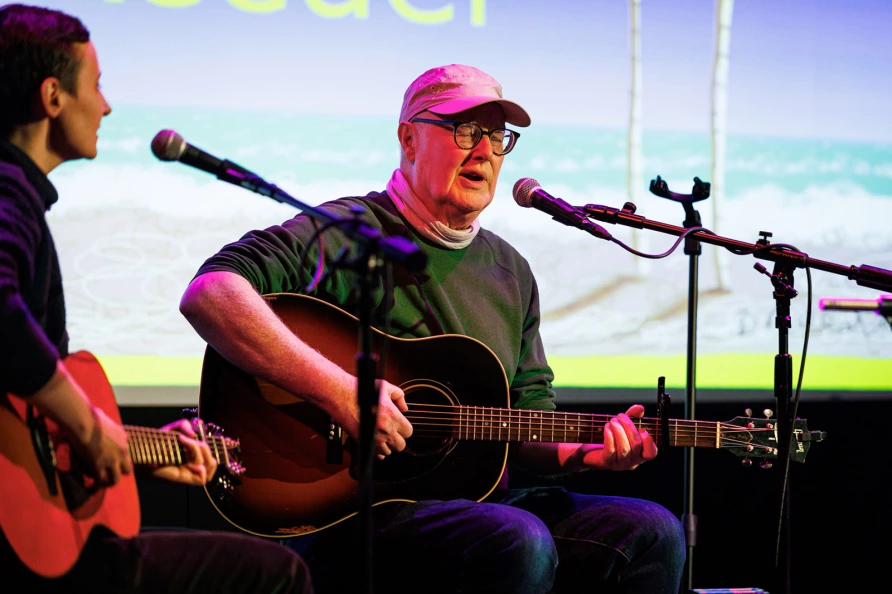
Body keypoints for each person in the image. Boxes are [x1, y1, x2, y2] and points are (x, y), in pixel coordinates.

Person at [179, 63, 686, 593]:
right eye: (466, 130)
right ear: (409, 139)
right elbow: (211, 293)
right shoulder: (349, 231)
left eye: (497, 136)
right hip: (356, 511)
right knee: (518, 537)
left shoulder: (510, 271)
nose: (486, 150)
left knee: (651, 532)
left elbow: (527, 421)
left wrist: (589, 453)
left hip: (485, 510)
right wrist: (338, 391)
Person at [0, 4, 312, 593]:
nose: (108, 105)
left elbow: (38, 426)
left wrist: (142, 448)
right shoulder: (7, 189)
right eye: (96, 85)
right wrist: (90, 428)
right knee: (277, 576)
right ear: (52, 97)